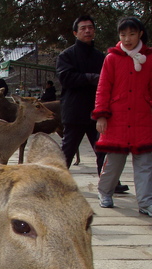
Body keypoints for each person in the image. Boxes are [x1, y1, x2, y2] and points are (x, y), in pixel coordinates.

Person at [57, 14, 129, 194]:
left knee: (102, 148)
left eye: (90, 27)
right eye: (83, 28)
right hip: (74, 110)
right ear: (75, 32)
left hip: (97, 110)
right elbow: (66, 78)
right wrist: (92, 78)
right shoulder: (66, 55)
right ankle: (56, 181)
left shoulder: (102, 57)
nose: (87, 31)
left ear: (94, 31)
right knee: (67, 150)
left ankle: (110, 182)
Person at [93, 17, 152, 216]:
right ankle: (105, 192)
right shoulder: (112, 58)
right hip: (116, 119)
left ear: (140, 34)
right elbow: (103, 88)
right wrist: (101, 115)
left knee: (145, 164)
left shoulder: (150, 58)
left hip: (143, 119)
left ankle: (145, 203)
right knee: (114, 161)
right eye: (123, 34)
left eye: (132, 34)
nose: (127, 39)